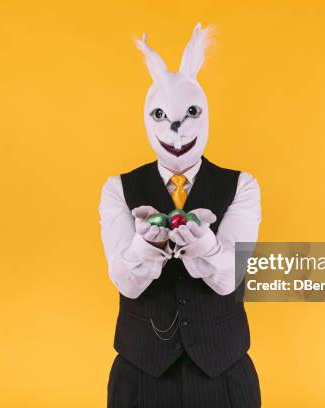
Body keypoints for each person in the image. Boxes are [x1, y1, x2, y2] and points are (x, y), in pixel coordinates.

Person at [99, 23, 262, 408]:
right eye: (161, 114)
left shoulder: (242, 185)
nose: (176, 126)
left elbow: (229, 280)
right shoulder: (117, 189)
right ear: (147, 117)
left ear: (204, 113)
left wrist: (205, 243)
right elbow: (127, 283)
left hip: (223, 373)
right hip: (141, 374)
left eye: (190, 113)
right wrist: (143, 246)